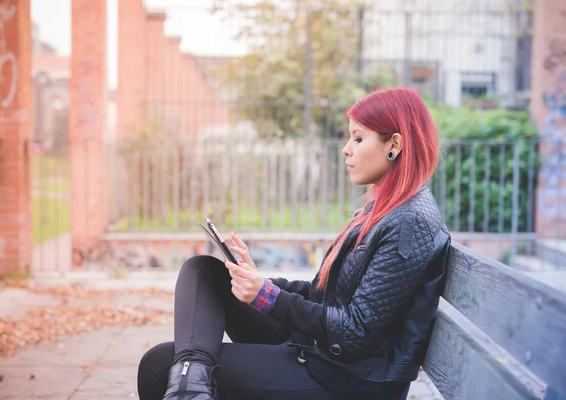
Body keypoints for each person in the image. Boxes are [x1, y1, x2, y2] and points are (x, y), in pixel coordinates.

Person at [137, 87, 451, 400]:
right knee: (204, 271)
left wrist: (267, 296)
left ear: (394, 144)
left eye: (357, 138)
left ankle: (189, 387)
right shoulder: (384, 209)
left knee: (158, 366)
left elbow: (356, 332)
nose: (346, 149)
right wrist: (259, 284)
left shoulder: (409, 223)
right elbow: (321, 295)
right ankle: (190, 387)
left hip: (345, 378)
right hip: (321, 352)